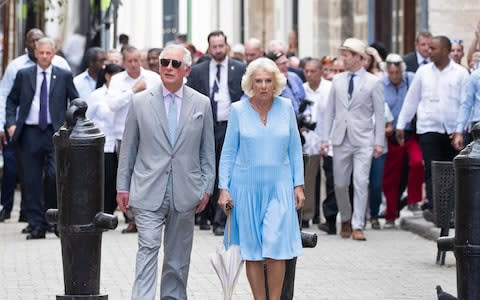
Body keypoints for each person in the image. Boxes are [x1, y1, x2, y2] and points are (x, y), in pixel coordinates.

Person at [116, 44, 215, 299]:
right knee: (147, 246)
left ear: (187, 70)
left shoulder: (201, 104)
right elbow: (128, 147)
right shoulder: (139, 102)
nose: (168, 67)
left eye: (175, 64)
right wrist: (122, 186)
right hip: (147, 188)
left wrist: (206, 187)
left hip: (186, 191)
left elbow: (207, 151)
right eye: (163, 62)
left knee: (177, 256)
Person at [218, 57, 304, 300]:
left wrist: (299, 185)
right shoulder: (237, 110)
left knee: (276, 248)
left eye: (268, 80)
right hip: (245, 188)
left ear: (275, 82)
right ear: (250, 83)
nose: (264, 86)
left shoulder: (286, 107)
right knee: (252, 250)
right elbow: (228, 152)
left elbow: (295, 149)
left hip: (279, 187)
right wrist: (224, 188)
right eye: (259, 81)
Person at [5, 37, 79, 239]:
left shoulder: (63, 75)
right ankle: (36, 225)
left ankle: (54, 220)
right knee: (31, 181)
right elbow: (11, 100)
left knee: (55, 176)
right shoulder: (24, 74)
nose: (45, 56)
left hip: (55, 132)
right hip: (29, 133)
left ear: (53, 54)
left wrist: (71, 124)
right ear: (36, 53)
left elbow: (76, 100)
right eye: (42, 52)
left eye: (49, 53)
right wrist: (11, 123)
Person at [397, 36, 469, 217]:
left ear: (445, 50)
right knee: (432, 168)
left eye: (433, 48)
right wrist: (401, 124)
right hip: (429, 128)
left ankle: (451, 210)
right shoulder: (423, 72)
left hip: (454, 130)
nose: (429, 51)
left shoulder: (460, 73)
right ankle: (436, 209)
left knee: (453, 169)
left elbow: (465, 104)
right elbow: (411, 99)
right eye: (428, 48)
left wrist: (461, 129)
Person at [321, 38, 384, 241]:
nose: (343, 59)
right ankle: (345, 218)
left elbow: (380, 114)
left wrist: (379, 142)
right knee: (340, 184)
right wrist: (324, 138)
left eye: (347, 55)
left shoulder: (373, 82)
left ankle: (358, 224)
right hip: (340, 139)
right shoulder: (337, 81)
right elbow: (329, 112)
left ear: (359, 58)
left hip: (363, 139)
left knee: (360, 181)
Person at [187, 30, 246, 235]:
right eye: (214, 46)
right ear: (209, 47)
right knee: (206, 168)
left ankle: (221, 220)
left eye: (221, 46)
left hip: (229, 126)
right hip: (205, 126)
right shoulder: (198, 71)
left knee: (226, 171)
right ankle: (206, 214)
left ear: (226, 46)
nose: (218, 50)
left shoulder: (240, 68)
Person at [107, 46, 161, 233]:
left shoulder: (153, 78)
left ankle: (149, 214)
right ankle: (132, 219)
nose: (134, 64)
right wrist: (133, 91)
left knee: (149, 174)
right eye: (130, 61)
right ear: (123, 62)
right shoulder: (116, 80)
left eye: (137, 60)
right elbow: (112, 105)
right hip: (124, 135)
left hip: (150, 135)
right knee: (126, 176)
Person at [382, 54, 424, 228]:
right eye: (391, 72)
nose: (394, 76)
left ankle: (414, 200)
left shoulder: (412, 79)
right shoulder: (381, 85)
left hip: (410, 133)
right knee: (390, 178)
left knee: (417, 162)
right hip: (390, 136)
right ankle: (390, 215)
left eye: (397, 72)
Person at [300, 58, 336, 233]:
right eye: (306, 71)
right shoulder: (302, 89)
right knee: (308, 177)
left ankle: (324, 215)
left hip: (328, 139)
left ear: (321, 71)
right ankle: (307, 215)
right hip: (309, 141)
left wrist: (327, 140)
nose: (308, 74)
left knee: (327, 180)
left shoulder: (329, 89)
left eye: (312, 71)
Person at [85, 64, 124, 214]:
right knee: (107, 180)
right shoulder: (97, 95)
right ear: (107, 76)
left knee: (120, 180)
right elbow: (87, 117)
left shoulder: (124, 93)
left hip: (120, 141)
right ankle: (105, 211)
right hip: (105, 144)